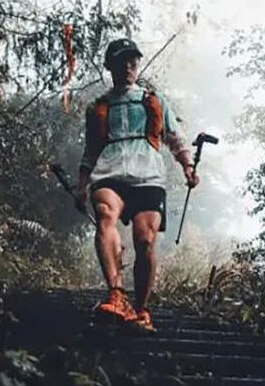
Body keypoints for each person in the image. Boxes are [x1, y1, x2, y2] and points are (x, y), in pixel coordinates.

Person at [76, 38, 199, 331]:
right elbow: (91, 150)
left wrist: (188, 167)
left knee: (145, 241)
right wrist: (82, 186)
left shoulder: (153, 101)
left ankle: (141, 310)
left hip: (148, 175)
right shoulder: (98, 107)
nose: (130, 65)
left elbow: (174, 137)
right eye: (123, 61)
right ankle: (116, 294)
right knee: (106, 215)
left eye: (133, 60)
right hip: (109, 171)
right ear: (111, 66)